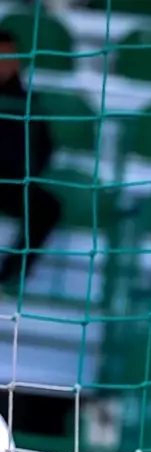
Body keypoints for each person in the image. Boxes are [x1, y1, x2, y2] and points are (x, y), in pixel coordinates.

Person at [0, 28, 60, 291]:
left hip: (12, 183)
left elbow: (44, 147)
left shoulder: (29, 103)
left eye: (9, 57)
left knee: (47, 207)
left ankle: (9, 277)